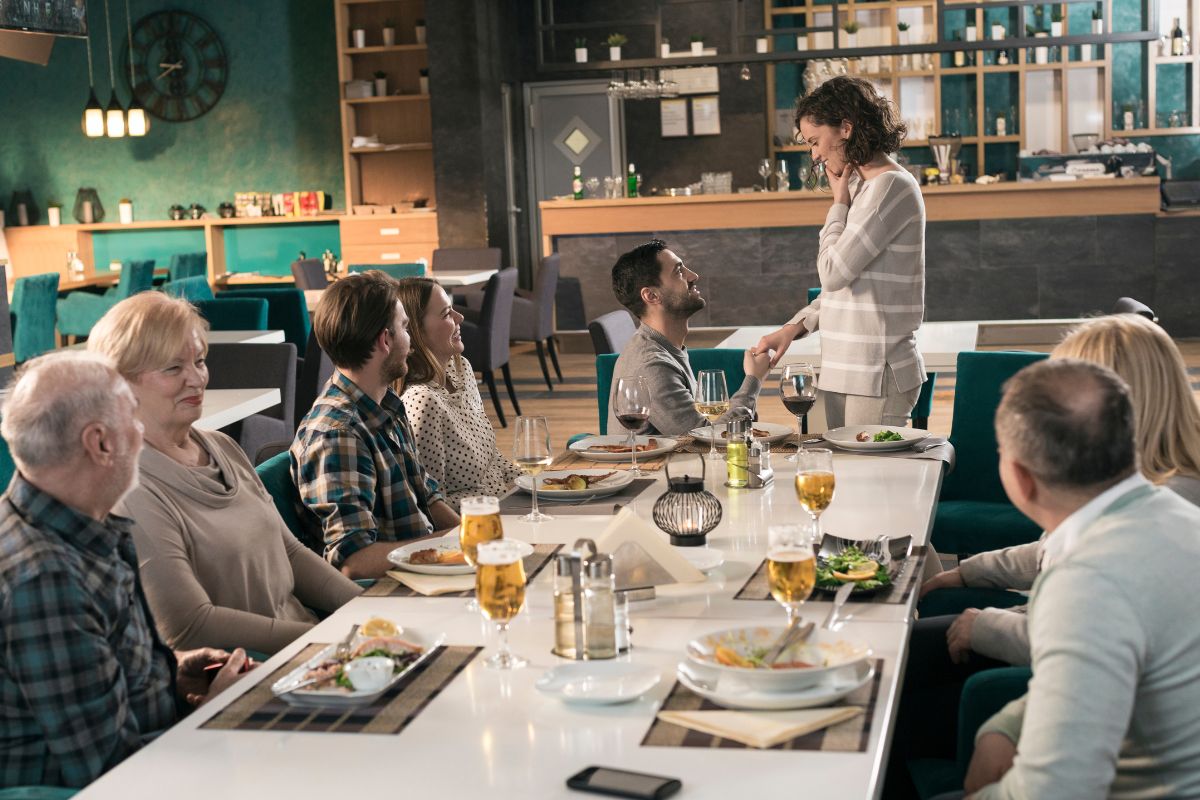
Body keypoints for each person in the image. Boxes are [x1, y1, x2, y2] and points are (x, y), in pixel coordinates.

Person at [0, 352, 250, 789]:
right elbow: (113, 773)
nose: (141, 434)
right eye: (131, 421)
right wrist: (218, 712)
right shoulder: (44, 579)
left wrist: (172, 671)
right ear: (100, 443)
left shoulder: (77, 523)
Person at [963, 359, 1200, 797]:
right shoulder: (1180, 517)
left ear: (1019, 477)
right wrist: (1006, 726)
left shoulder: (1087, 581)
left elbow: (1056, 791)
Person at [87, 292, 361, 655]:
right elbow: (190, 626)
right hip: (250, 672)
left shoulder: (222, 446)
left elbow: (291, 553)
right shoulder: (129, 488)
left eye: (199, 361)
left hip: (312, 646)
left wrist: (366, 608)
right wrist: (329, 639)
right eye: (173, 368)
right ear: (120, 382)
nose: (196, 378)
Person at [920, 313, 1200, 666]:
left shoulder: (1164, 506)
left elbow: (1089, 640)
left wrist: (985, 626)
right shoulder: (1131, 479)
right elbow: (1051, 551)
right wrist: (970, 572)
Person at [753, 76, 926, 429]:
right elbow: (844, 288)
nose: (814, 154)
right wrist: (794, 327)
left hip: (876, 373)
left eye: (816, 141)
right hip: (846, 370)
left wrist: (838, 204)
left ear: (845, 127)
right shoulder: (864, 187)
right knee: (838, 481)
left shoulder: (889, 187)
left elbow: (832, 273)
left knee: (866, 481)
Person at [292, 271, 459, 579]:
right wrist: (449, 546)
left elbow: (426, 493)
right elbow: (353, 561)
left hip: (425, 573)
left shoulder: (387, 406)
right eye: (406, 328)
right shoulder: (338, 434)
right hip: (391, 593)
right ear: (385, 339)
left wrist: (468, 535)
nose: (411, 341)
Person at [609, 239, 771, 435]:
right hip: (659, 466)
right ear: (651, 296)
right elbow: (704, 438)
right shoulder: (651, 365)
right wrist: (754, 380)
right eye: (679, 272)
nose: (693, 275)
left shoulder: (665, 348)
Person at [395, 277, 520, 511]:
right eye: (446, 314)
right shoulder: (422, 401)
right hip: (478, 524)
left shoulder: (460, 368)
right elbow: (432, 503)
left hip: (510, 503)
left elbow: (493, 457)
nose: (459, 318)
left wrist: (531, 484)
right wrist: (495, 506)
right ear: (416, 331)